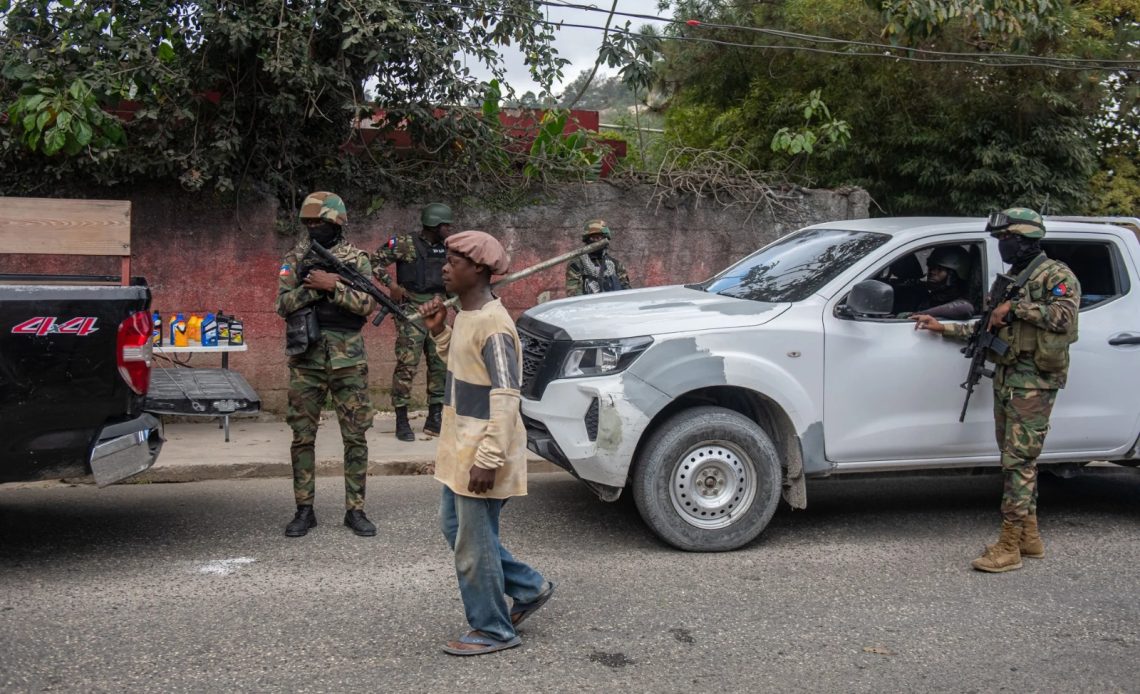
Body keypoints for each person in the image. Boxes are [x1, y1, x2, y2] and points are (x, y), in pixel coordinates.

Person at [912, 208, 1079, 573]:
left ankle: (1009, 547)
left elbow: (1065, 316)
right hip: (1008, 376)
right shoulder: (1012, 278)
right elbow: (988, 325)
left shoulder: (1056, 274)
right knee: (1015, 458)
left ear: (1023, 239)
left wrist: (1016, 308)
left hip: (1033, 382)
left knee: (1017, 462)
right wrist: (942, 328)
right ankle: (1029, 537)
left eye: (1005, 239)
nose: (1001, 246)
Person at [418, 230, 555, 656]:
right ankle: (529, 587)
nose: (444, 267)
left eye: (454, 260)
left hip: (482, 453)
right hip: (462, 448)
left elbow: (506, 394)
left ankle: (494, 629)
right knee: (456, 529)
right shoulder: (466, 317)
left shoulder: (495, 325)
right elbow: (464, 372)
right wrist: (441, 333)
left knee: (474, 545)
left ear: (477, 269)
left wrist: (489, 458)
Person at [276, 191, 379, 538]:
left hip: (349, 359)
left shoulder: (357, 260)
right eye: (307, 222)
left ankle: (356, 510)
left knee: (356, 437)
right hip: (307, 359)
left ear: (336, 221)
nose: (312, 227)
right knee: (302, 436)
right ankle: (304, 509)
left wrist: (334, 287)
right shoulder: (296, 258)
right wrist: (313, 288)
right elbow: (283, 304)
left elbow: (367, 304)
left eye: (318, 221)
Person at [372, 203, 452, 442]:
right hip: (411, 311)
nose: (450, 229)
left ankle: (434, 417)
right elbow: (373, 261)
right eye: (446, 225)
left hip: (439, 309)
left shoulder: (449, 248)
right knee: (407, 365)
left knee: (439, 365)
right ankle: (402, 419)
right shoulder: (404, 244)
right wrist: (392, 285)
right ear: (435, 225)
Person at [565, 219, 631, 296]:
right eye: (593, 238)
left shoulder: (616, 264)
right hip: (589, 306)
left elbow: (627, 291)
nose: (597, 241)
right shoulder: (577, 264)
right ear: (587, 240)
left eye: (599, 238)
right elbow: (573, 295)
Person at [910, 246, 975, 320]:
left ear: (953, 275)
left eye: (939, 269)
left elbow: (965, 308)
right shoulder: (928, 294)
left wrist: (917, 315)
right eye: (931, 267)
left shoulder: (962, 298)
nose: (932, 272)